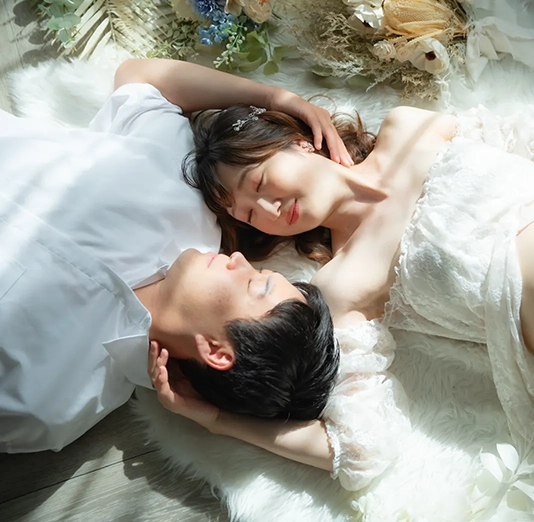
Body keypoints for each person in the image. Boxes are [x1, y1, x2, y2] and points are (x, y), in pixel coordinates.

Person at [148, 58, 534, 520]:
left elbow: (527, 130)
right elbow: (362, 447)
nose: (266, 208)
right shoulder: (343, 284)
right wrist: (215, 420)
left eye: (260, 180)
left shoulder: (408, 129)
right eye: (248, 213)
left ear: (295, 137)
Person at [0, 58, 349, 453]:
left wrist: (219, 422)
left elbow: (359, 452)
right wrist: (275, 97)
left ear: (216, 352)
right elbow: (139, 78)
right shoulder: (187, 197)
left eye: (254, 284)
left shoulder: (51, 401)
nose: (239, 260)